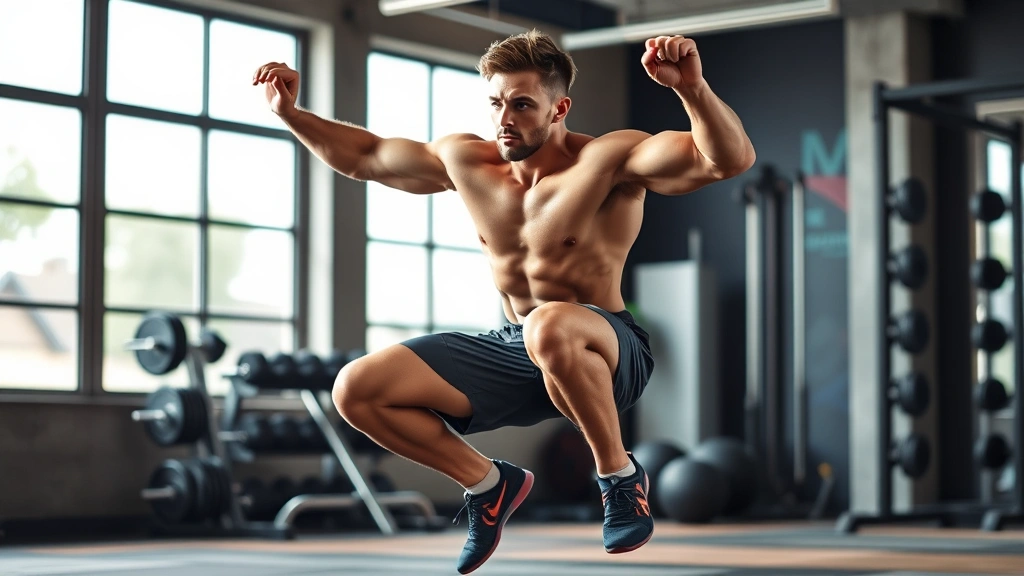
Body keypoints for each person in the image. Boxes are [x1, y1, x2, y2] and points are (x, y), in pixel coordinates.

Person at [253, 30, 754, 574]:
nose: (504, 118)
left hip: (608, 349)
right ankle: (489, 486)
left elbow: (725, 160)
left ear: (559, 107)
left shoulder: (608, 159)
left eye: (521, 104)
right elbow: (368, 157)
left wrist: (694, 90)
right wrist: (291, 114)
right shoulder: (466, 162)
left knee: (550, 326)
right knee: (356, 389)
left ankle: (620, 478)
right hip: (521, 347)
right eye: (496, 103)